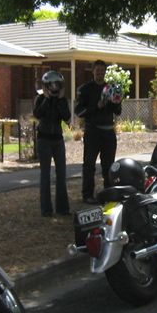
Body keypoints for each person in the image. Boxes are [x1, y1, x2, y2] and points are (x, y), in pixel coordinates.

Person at [75, 60, 122, 204]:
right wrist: (96, 106)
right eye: (97, 70)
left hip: (108, 132)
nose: (100, 73)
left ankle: (108, 194)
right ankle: (87, 195)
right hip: (93, 132)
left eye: (102, 70)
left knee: (109, 166)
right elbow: (79, 111)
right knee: (89, 165)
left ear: (105, 72)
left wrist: (116, 102)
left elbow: (118, 112)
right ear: (93, 71)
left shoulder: (110, 88)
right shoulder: (85, 89)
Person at [33, 71, 71, 217]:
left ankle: (63, 208)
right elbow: (38, 114)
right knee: (45, 174)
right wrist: (47, 99)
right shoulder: (40, 98)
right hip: (44, 139)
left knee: (61, 174)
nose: (54, 87)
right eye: (51, 85)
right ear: (46, 86)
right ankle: (46, 209)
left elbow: (66, 117)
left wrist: (59, 100)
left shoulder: (62, 100)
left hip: (58, 139)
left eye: (57, 85)